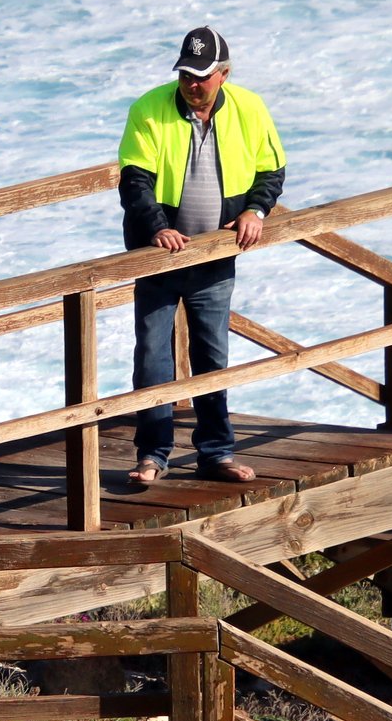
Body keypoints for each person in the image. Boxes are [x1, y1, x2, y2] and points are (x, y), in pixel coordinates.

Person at [117, 26, 288, 486]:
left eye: (203, 76)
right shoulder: (148, 109)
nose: (193, 84)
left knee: (212, 356)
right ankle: (152, 455)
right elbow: (134, 180)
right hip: (157, 257)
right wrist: (158, 228)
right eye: (186, 75)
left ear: (224, 75)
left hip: (213, 256)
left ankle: (216, 453)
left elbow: (272, 170)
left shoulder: (251, 108)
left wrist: (256, 210)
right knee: (153, 358)